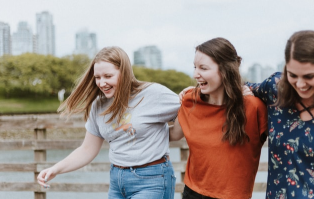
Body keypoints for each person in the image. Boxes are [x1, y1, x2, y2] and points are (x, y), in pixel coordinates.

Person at [37, 46, 180, 199]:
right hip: (117, 181)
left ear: (124, 73)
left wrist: (169, 134)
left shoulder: (153, 94)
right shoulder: (98, 105)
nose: (102, 83)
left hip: (152, 180)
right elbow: (87, 150)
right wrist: (55, 169)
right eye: (97, 77)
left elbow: (190, 111)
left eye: (108, 76)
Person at [245, 30, 314, 198]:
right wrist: (195, 94)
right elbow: (241, 89)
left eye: (309, 76)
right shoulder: (276, 88)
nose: (300, 84)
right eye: (292, 75)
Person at [170, 37, 268, 199]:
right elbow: (173, 134)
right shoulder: (189, 100)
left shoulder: (254, 107)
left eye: (203, 68)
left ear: (225, 70)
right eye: (195, 67)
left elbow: (284, 143)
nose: (196, 74)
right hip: (192, 193)